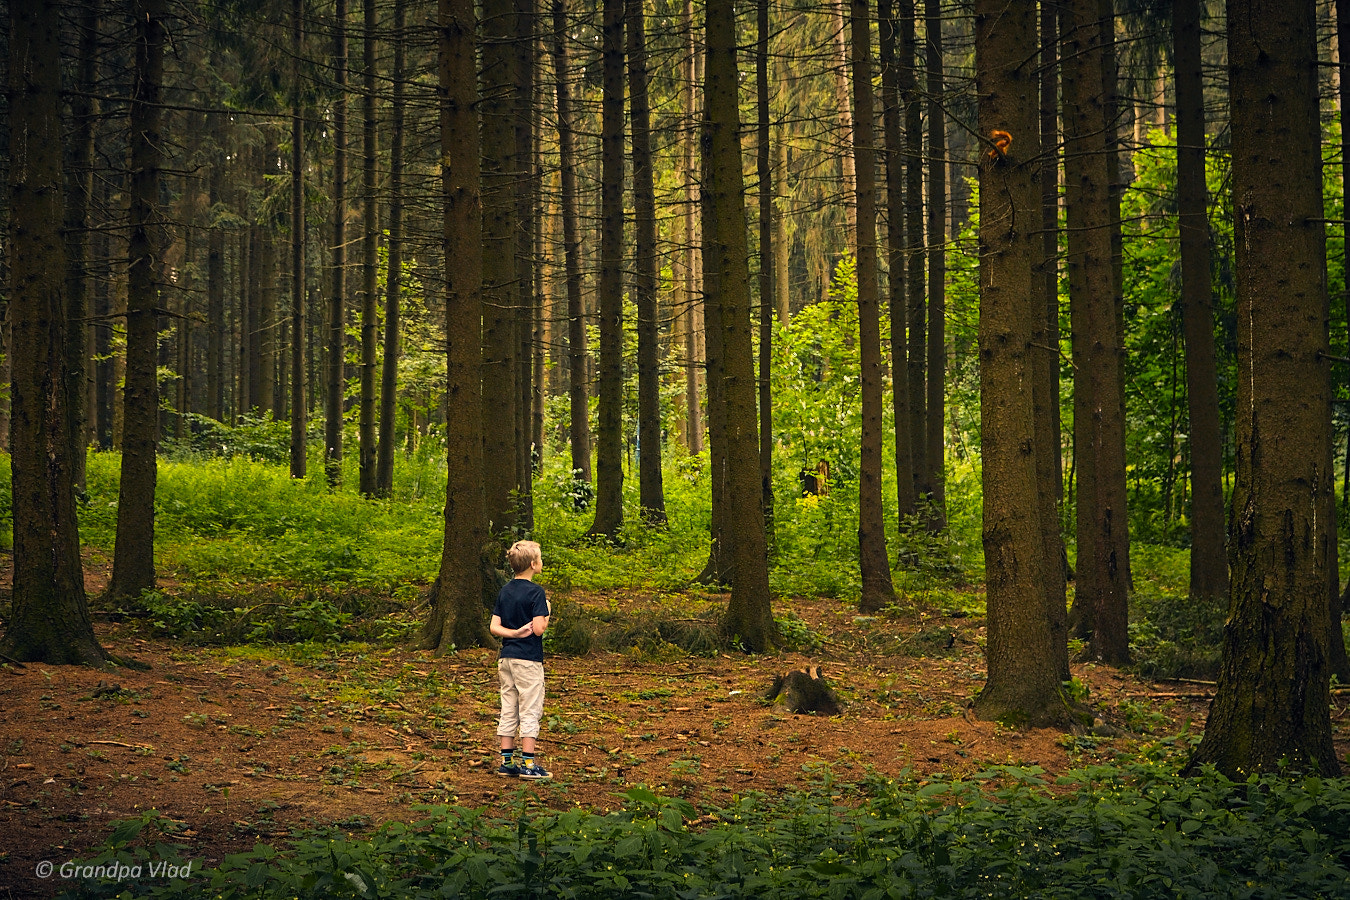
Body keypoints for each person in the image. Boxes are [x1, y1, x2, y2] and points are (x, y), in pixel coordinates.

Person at [488, 540, 552, 779]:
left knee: (508, 706)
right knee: (530, 708)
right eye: (541, 558)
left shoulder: (505, 590)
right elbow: (538, 629)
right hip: (528, 660)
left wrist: (512, 633)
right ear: (534, 564)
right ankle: (528, 764)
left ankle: (506, 761)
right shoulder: (537, 593)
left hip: (506, 659)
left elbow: (494, 626)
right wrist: (546, 612)